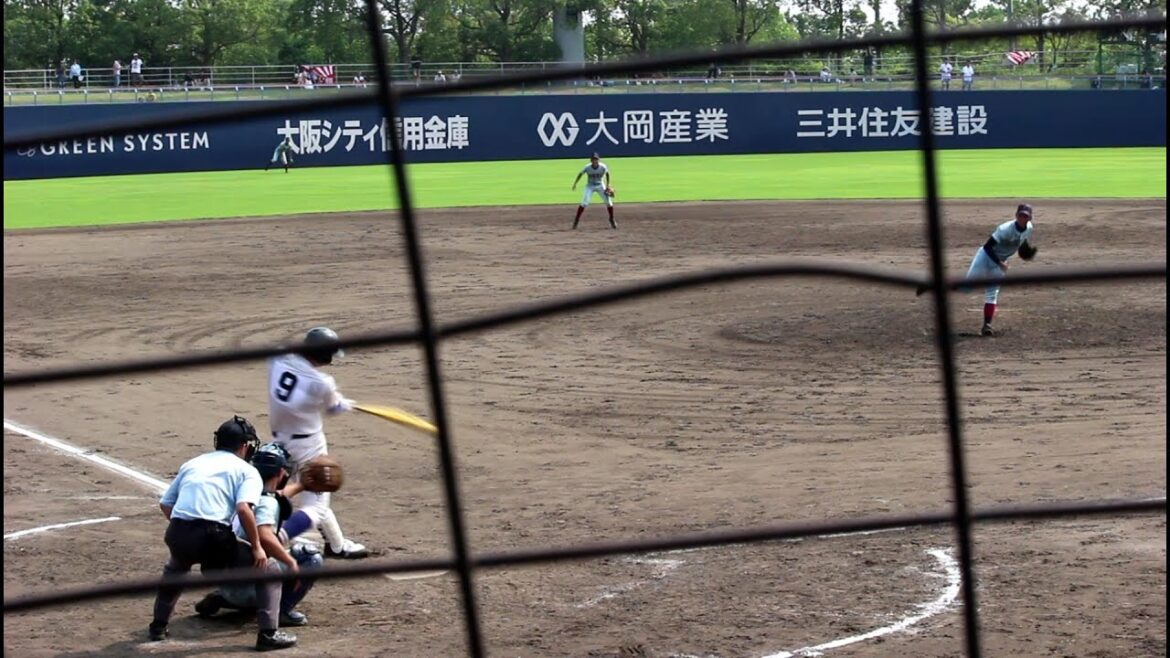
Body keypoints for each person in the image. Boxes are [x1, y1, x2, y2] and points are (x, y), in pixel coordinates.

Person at [148, 416, 297, 651]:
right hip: (213, 538)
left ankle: (158, 625)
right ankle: (268, 633)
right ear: (245, 446)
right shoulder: (247, 471)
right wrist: (257, 547)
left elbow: (166, 504)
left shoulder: (193, 463)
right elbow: (243, 509)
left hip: (177, 532)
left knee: (176, 567)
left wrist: (187, 529)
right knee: (269, 569)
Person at [268, 327, 370, 559]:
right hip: (309, 448)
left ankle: (337, 545)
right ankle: (277, 539)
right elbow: (333, 408)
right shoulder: (322, 382)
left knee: (281, 494)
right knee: (315, 505)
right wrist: (344, 403)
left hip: (278, 443)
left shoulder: (279, 358)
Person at [195, 443, 322, 628]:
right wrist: (290, 562)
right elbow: (264, 535)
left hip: (227, 580)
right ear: (280, 473)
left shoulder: (242, 494)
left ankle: (224, 597)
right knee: (310, 557)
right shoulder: (268, 503)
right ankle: (281, 612)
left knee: (252, 554)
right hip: (251, 589)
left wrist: (302, 485)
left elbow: (276, 496)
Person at [958, 204, 1038, 337]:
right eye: (1021, 215)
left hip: (1001, 262)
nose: (1023, 218)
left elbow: (1021, 244)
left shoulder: (1029, 228)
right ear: (1016, 215)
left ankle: (987, 326)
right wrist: (1000, 263)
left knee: (992, 293)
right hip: (984, 257)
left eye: (1026, 216)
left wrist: (1026, 252)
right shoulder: (1005, 229)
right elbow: (988, 247)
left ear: (1030, 218)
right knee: (967, 287)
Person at [571, 152, 616, 230]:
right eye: (593, 159)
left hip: (600, 185)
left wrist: (608, 185)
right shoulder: (587, 167)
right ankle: (576, 220)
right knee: (584, 202)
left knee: (609, 202)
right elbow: (580, 174)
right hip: (590, 186)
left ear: (598, 159)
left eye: (596, 159)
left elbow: (607, 174)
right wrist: (575, 184)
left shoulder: (603, 166)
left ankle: (611, 219)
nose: (595, 161)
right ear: (591, 160)